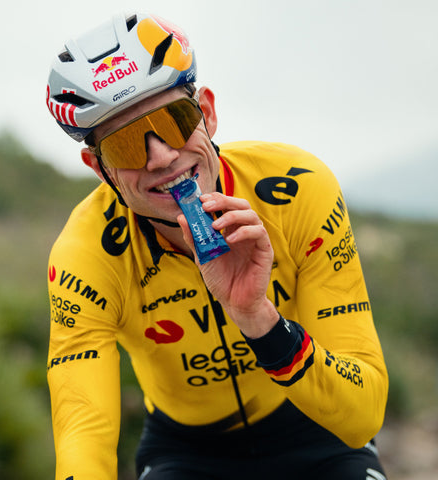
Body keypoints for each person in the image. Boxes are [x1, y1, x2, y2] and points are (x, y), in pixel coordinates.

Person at [45, 12, 388, 480]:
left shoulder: (298, 189)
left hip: (316, 426)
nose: (162, 157)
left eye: (175, 120)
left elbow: (363, 416)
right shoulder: (86, 254)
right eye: (125, 145)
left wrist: (260, 319)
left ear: (206, 112)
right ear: (98, 167)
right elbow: (83, 435)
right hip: (186, 453)